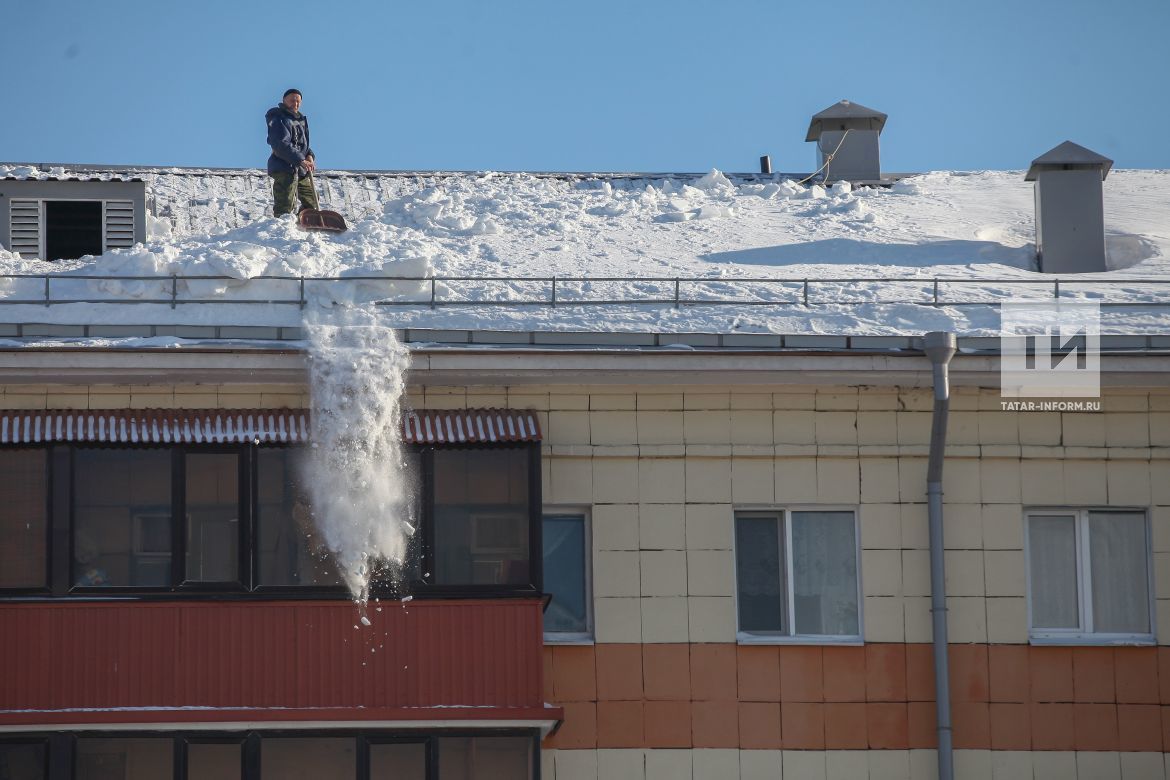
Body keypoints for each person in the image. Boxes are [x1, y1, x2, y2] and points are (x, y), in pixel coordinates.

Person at [266, 88, 320, 217]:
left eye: (298, 101)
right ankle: (282, 226)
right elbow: (280, 143)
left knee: (312, 199)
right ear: (284, 101)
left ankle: (305, 221)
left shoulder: (300, 120)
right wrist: (300, 160)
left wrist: (309, 156)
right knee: (286, 200)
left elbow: (303, 145)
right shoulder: (279, 118)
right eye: (292, 100)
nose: (295, 104)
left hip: (300, 168)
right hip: (284, 167)